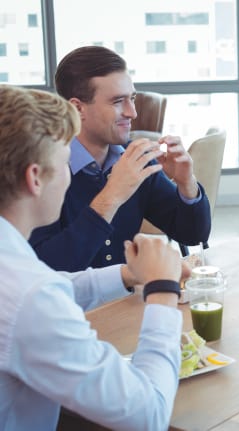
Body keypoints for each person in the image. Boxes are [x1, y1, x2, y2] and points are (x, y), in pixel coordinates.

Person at [0, 85, 184, 429]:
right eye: (66, 164)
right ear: (35, 178)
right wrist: (162, 292)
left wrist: (128, 274)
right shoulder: (29, 296)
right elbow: (149, 415)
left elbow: (46, 290)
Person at [28, 46, 211, 271]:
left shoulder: (134, 158)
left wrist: (186, 183)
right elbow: (49, 269)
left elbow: (193, 235)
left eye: (132, 99)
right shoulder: (39, 172)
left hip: (125, 301)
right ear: (77, 108)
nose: (132, 112)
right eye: (117, 102)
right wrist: (112, 195)